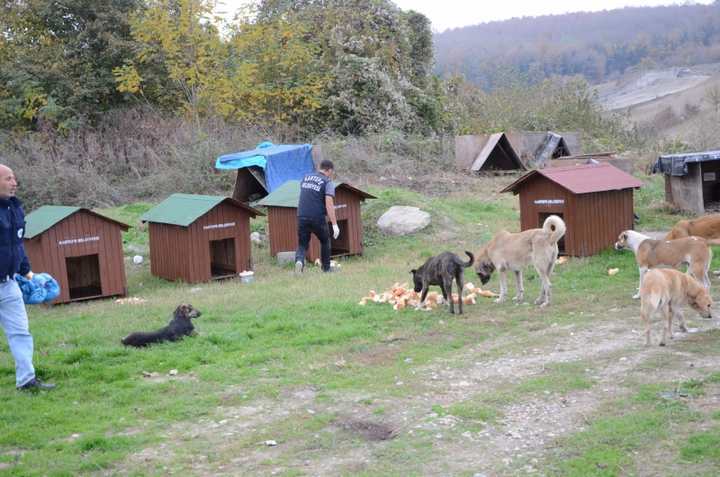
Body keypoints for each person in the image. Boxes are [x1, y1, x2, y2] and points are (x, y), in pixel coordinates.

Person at [0, 164, 54, 391]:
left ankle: (27, 381)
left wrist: (29, 274)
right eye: (8, 178)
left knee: (20, 331)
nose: (14, 183)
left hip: (8, 283)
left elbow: (17, 245)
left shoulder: (15, 208)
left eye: (14, 178)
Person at [295, 160, 340, 273]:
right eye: (332, 172)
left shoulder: (306, 177)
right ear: (329, 170)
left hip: (302, 215)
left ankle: (299, 262)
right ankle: (326, 268)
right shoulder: (327, 182)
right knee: (325, 240)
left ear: (320, 167)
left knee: (302, 244)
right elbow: (329, 203)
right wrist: (334, 224)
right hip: (317, 217)